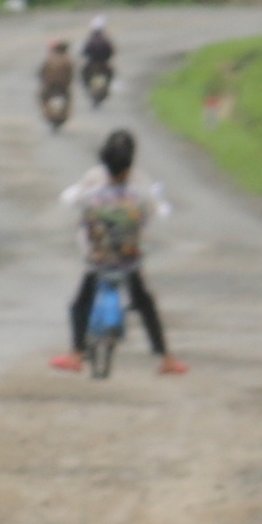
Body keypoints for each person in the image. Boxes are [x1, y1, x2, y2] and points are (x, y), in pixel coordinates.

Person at [61, 125, 183, 373]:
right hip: (129, 262)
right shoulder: (140, 188)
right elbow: (151, 213)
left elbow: (78, 208)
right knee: (146, 303)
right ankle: (166, 357)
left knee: (79, 303)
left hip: (97, 261)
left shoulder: (93, 188)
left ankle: (75, 352)